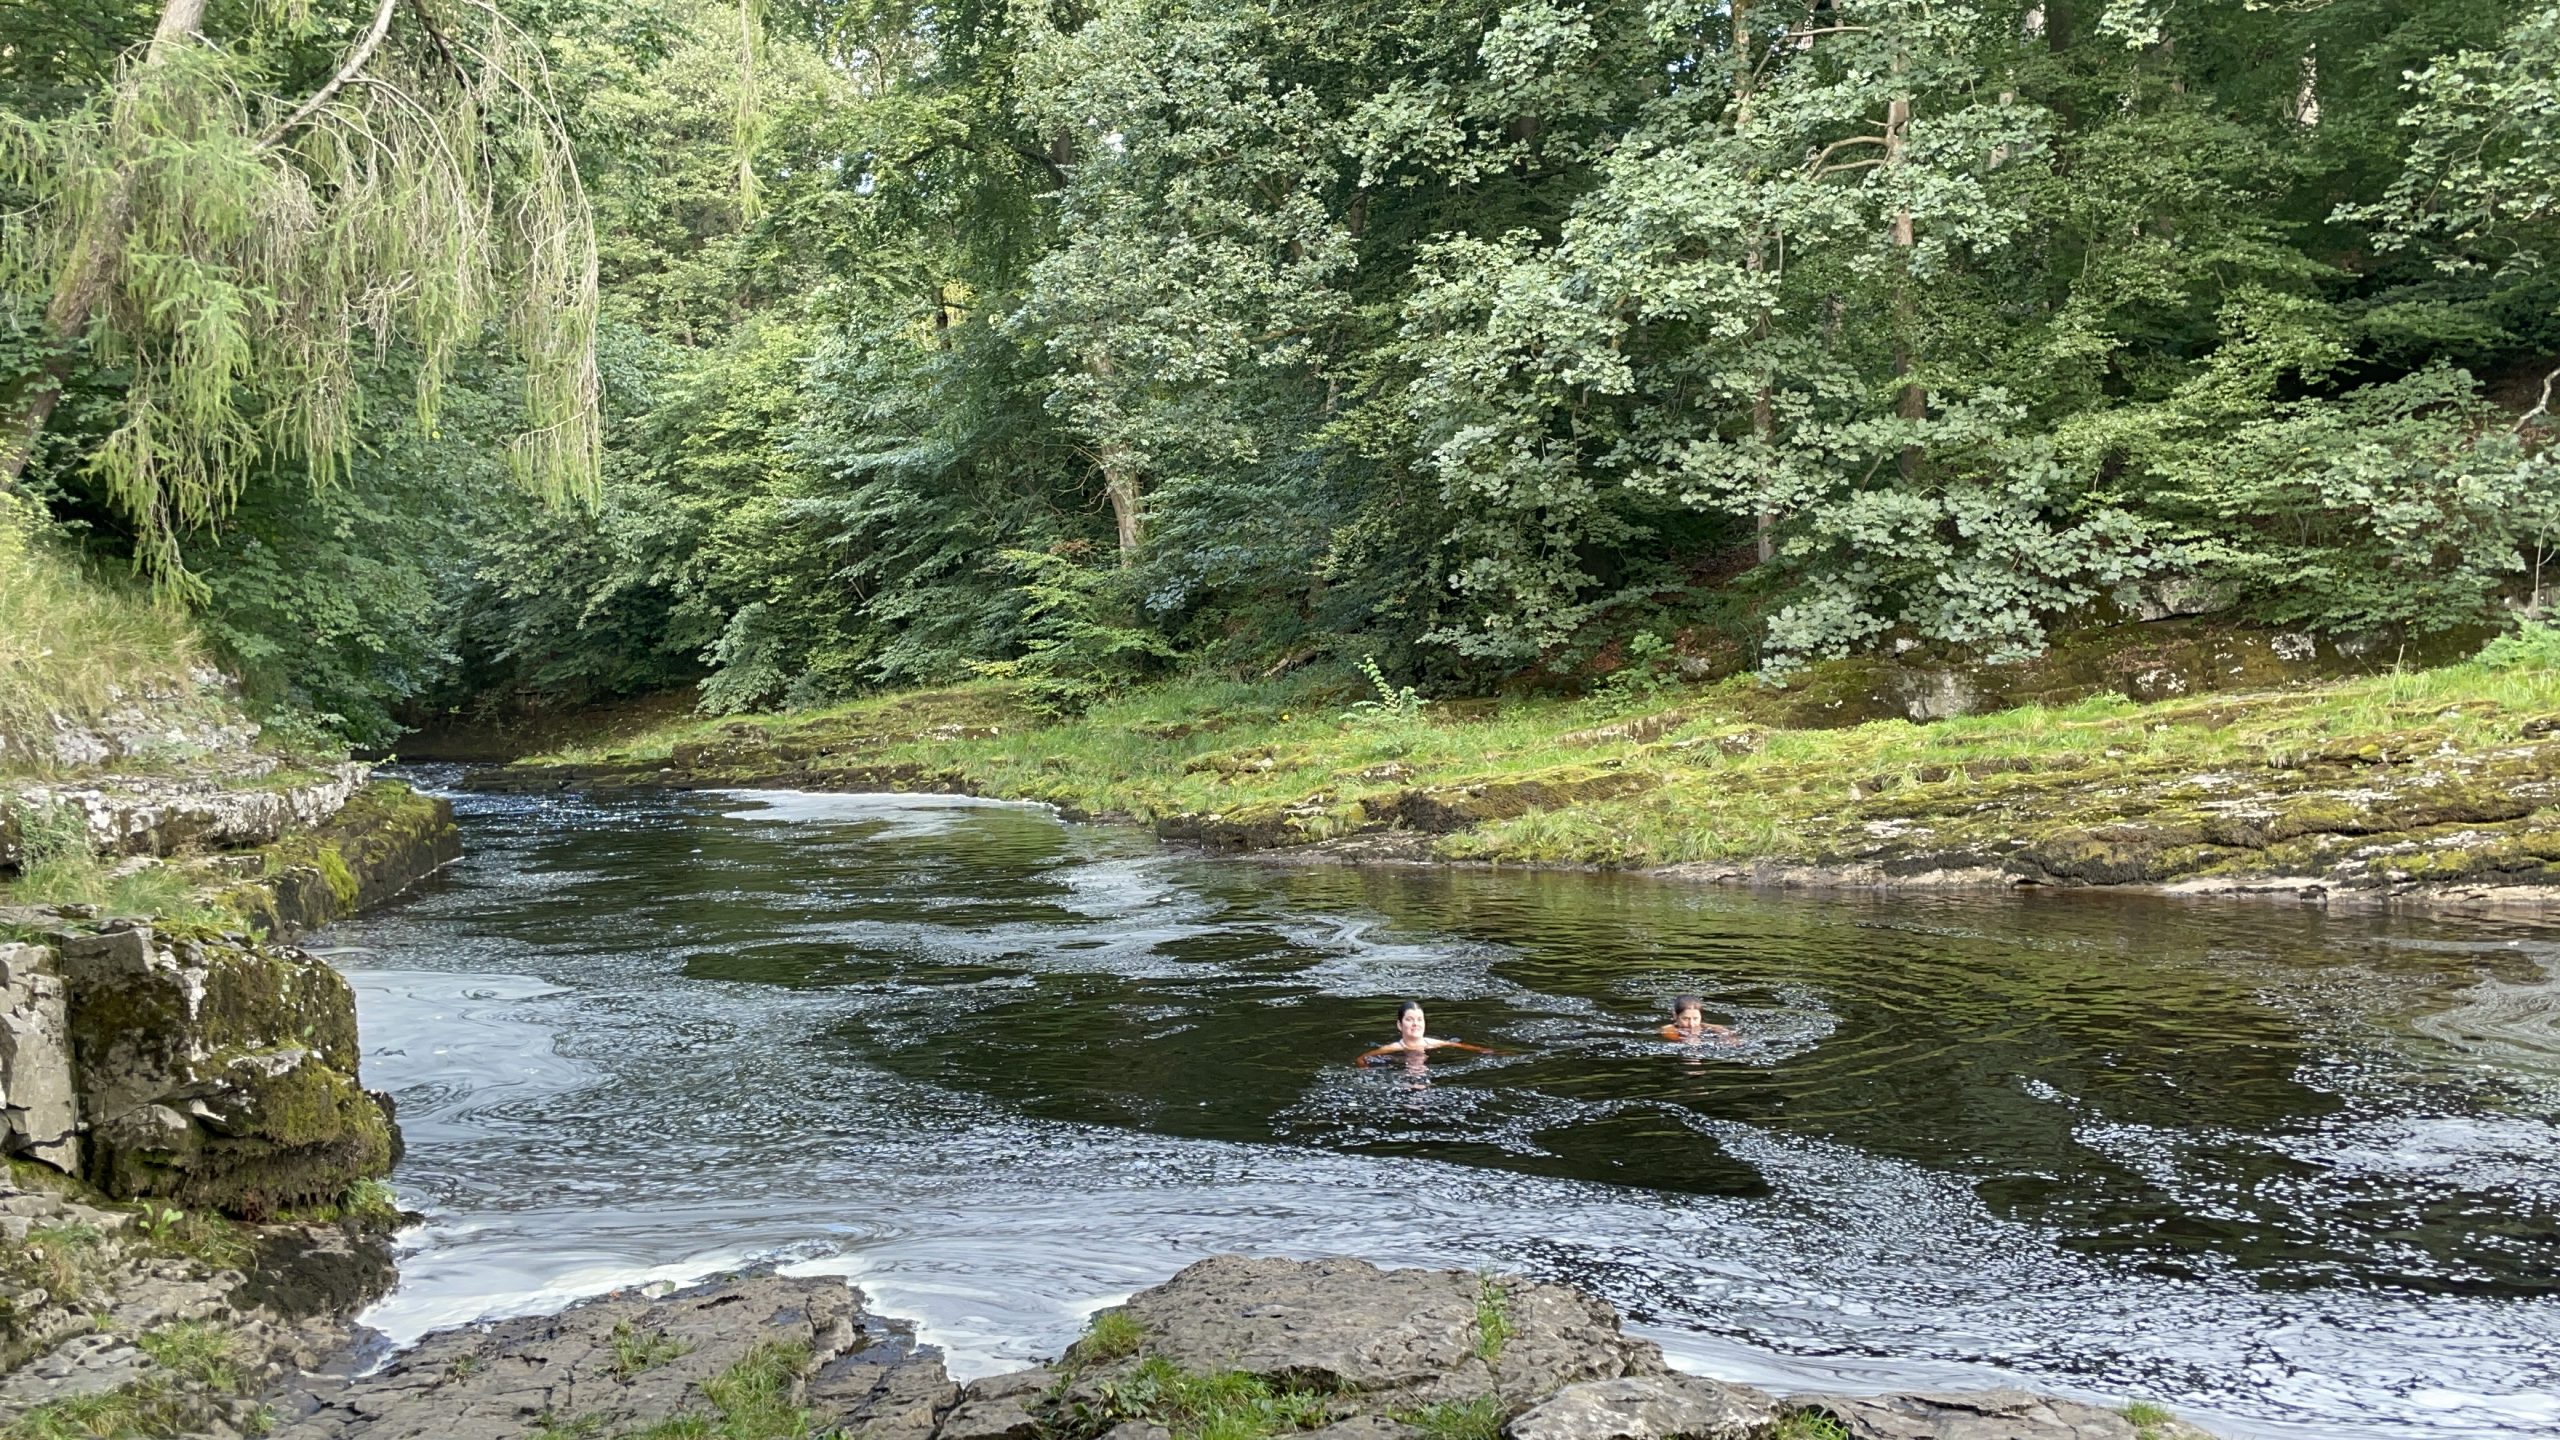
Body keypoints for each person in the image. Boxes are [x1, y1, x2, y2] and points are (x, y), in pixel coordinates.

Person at [1356, 1000, 1498, 1065]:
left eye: (1419, 1019)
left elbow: (1462, 1046)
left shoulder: (1434, 1043)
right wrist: (1366, 1070)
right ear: (1399, 1025)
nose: (1415, 1024)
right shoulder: (1393, 1048)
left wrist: (1487, 1051)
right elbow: (1362, 1058)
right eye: (1409, 1020)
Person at [1661, 994, 1736, 1043]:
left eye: (1695, 1018)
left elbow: (1727, 1032)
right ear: (1675, 1016)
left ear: (1701, 1016)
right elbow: (1677, 1038)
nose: (1691, 1024)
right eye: (1686, 1019)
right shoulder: (1667, 1030)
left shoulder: (1708, 1027)